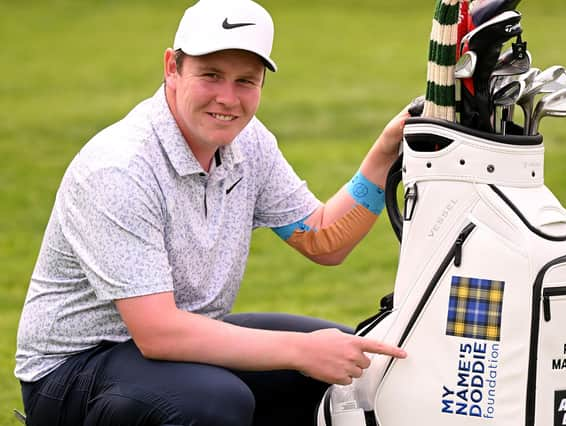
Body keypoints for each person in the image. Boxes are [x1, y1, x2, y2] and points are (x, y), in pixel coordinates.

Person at [15, 0, 410, 424]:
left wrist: (386, 152)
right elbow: (158, 333)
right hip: (73, 371)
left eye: (246, 81)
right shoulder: (119, 168)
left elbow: (322, 238)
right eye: (211, 75)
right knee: (215, 402)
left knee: (354, 363)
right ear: (172, 67)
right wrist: (301, 351)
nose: (228, 98)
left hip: (176, 344)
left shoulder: (248, 141)